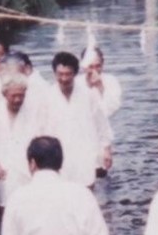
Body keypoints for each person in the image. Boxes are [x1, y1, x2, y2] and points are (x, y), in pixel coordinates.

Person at [35, 51, 112, 187]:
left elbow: (102, 124)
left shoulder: (89, 95)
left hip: (84, 155)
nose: (64, 78)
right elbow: (39, 130)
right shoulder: (46, 97)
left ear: (75, 74)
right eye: (60, 74)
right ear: (54, 73)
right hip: (57, 159)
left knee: (87, 192)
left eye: (68, 74)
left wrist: (106, 150)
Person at [0, 72, 38, 207]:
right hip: (2, 169)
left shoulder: (34, 112)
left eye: (21, 95)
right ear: (4, 94)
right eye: (13, 96)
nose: (17, 99)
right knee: (5, 206)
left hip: (27, 168)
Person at [80, 45, 122, 119]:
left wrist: (100, 87)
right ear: (84, 67)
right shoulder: (75, 83)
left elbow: (111, 110)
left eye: (98, 66)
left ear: (102, 64)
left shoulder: (112, 81)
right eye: (90, 66)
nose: (94, 70)